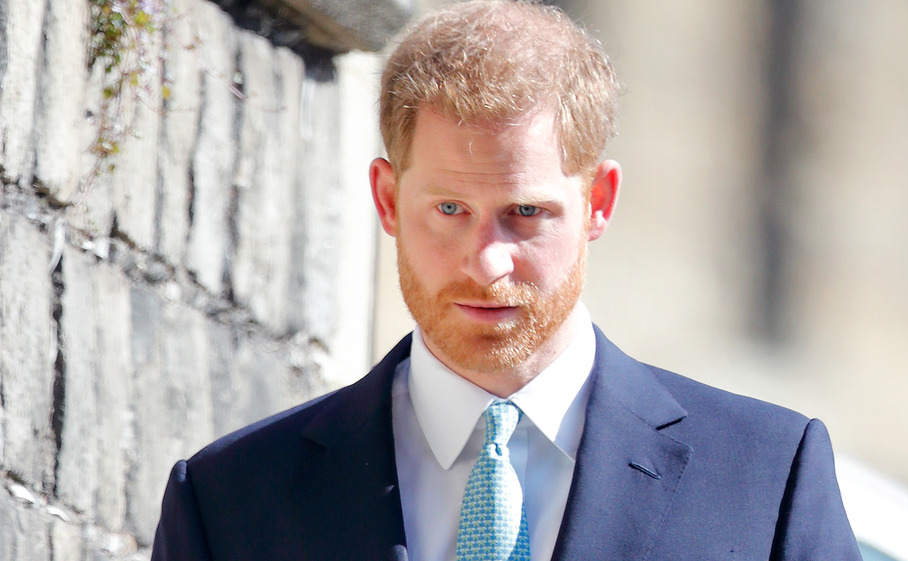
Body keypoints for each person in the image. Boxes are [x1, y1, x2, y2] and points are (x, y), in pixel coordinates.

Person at [151, 1, 863, 560]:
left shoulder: (766, 478)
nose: (488, 262)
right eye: (451, 210)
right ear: (389, 201)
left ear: (600, 203)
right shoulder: (230, 501)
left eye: (526, 213)